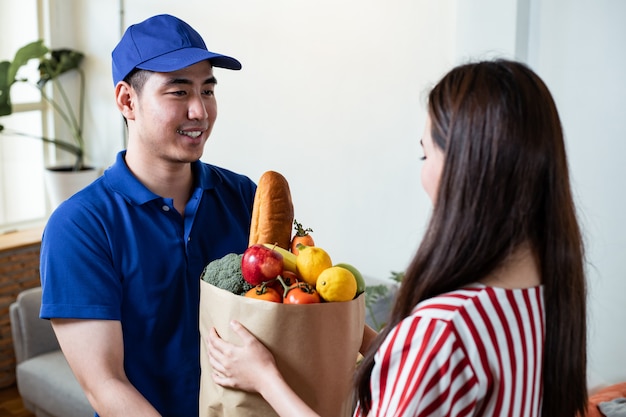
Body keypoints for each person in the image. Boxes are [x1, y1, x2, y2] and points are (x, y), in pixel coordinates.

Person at [207, 59, 588, 417]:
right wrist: (347, 326)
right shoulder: (546, 296)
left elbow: (435, 352)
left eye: (426, 156)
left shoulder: (439, 332)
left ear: (464, 167)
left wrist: (265, 379)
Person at [39, 14, 256, 416]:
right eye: (178, 92)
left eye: (207, 90)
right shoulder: (81, 226)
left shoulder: (243, 195)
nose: (200, 111)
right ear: (127, 101)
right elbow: (105, 384)